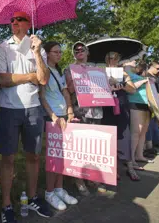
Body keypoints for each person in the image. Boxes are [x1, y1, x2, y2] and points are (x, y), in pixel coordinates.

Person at [0, 11, 51, 222]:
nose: (14, 22)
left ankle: (34, 197)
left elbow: (44, 79)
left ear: (29, 24)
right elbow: (1, 79)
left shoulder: (38, 47)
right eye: (12, 20)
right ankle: (6, 205)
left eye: (19, 19)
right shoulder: (2, 47)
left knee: (33, 156)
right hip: (9, 109)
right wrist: (29, 76)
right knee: (7, 158)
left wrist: (37, 53)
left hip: (34, 108)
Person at [39, 41, 78, 210]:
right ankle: (49, 193)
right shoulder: (44, 71)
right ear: (46, 53)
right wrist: (53, 116)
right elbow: (41, 96)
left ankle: (59, 189)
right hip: (52, 117)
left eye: (60, 52)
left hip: (64, 116)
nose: (59, 55)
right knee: (53, 156)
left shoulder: (59, 71)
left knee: (62, 155)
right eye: (55, 52)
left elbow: (66, 93)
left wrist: (69, 112)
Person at [64, 41, 106, 195]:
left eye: (82, 49)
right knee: (79, 147)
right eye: (76, 50)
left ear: (87, 52)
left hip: (96, 111)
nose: (79, 51)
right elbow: (68, 89)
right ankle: (78, 180)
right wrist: (78, 76)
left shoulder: (97, 69)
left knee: (94, 145)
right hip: (79, 110)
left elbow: (104, 88)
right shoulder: (69, 68)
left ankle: (92, 177)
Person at [101, 52, 140, 181]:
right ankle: (113, 169)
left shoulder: (123, 73)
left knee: (125, 136)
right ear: (106, 59)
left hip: (122, 107)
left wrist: (121, 84)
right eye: (110, 58)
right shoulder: (101, 72)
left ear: (119, 60)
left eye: (116, 58)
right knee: (109, 138)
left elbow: (133, 89)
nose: (113, 60)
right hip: (106, 108)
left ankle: (130, 167)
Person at [124, 61, 153, 171]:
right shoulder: (126, 74)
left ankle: (139, 155)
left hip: (146, 104)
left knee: (143, 131)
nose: (135, 61)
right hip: (135, 103)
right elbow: (130, 88)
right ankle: (131, 159)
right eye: (133, 60)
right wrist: (144, 81)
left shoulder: (137, 74)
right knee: (136, 131)